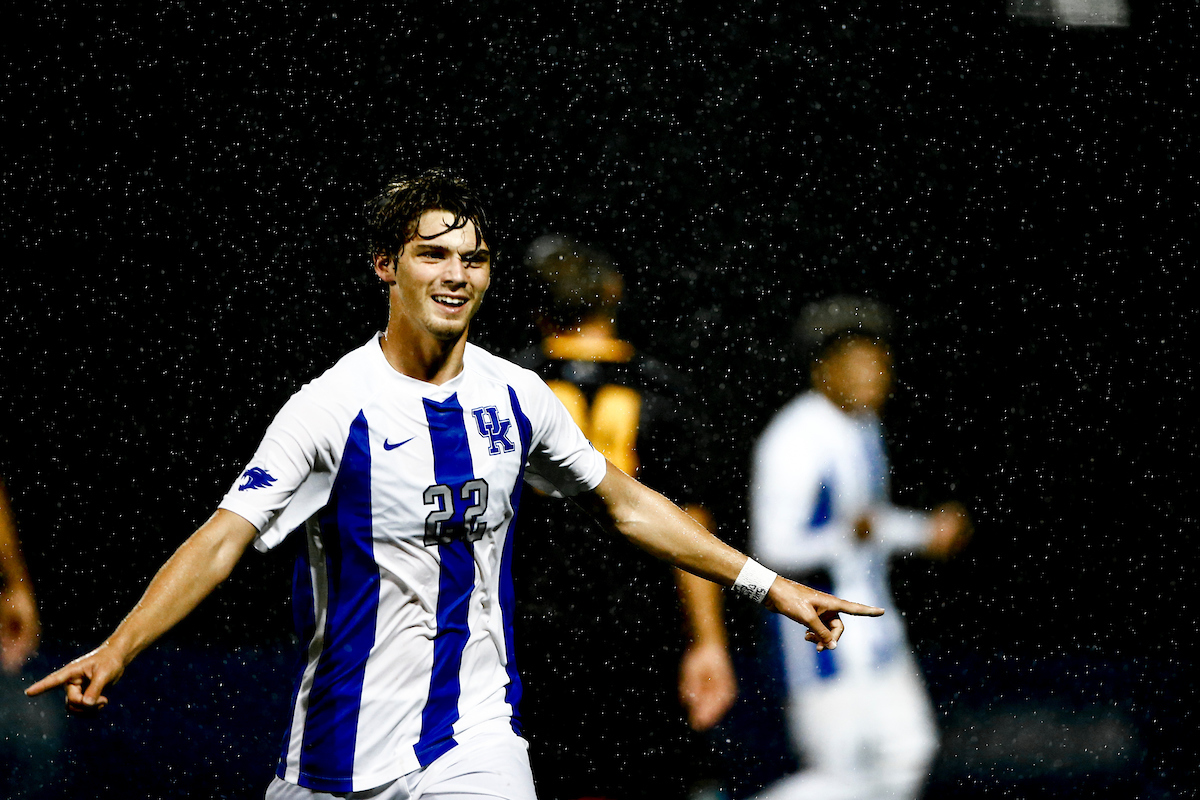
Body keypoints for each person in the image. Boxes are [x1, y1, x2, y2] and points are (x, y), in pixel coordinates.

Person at [27, 170, 883, 800]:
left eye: (471, 258)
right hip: (337, 750)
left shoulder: (517, 394)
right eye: (431, 254)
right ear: (383, 268)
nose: (455, 274)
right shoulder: (332, 408)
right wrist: (120, 646)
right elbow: (223, 538)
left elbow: (628, 504)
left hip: (474, 735)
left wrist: (767, 586)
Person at [513, 235, 736, 799]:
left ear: (535, 306)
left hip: (534, 629)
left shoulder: (506, 389)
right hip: (641, 626)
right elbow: (691, 527)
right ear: (613, 295)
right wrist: (707, 640)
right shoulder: (663, 390)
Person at [747, 296, 972, 800]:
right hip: (820, 639)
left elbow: (871, 522)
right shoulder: (794, 438)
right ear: (824, 369)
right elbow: (771, 549)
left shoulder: (863, 426)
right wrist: (848, 536)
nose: (874, 374)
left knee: (908, 751)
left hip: (876, 631)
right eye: (858, 362)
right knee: (838, 776)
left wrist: (924, 532)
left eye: (880, 362)